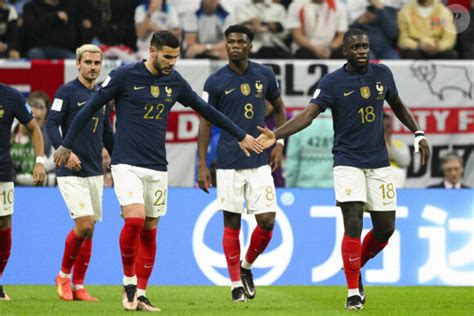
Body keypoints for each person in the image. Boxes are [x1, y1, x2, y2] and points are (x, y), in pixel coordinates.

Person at [53, 30, 263, 312]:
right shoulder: (125, 76)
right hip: (126, 162)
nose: (172, 63)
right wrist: (65, 145)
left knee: (150, 230)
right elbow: (91, 107)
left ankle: (141, 292)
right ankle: (128, 283)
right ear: (152, 51)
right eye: (167, 57)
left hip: (157, 166)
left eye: (175, 57)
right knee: (135, 221)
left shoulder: (174, 80)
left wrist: (239, 135)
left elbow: (206, 110)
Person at [256, 28, 430, 310]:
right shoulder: (333, 82)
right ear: (344, 52)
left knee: (386, 229)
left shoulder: (382, 74)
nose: (362, 50)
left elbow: (397, 103)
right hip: (347, 162)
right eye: (356, 47)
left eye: (365, 45)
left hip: (379, 163)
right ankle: (352, 291)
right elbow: (309, 115)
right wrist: (276, 134)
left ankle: (354, 265)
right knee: (353, 225)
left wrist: (418, 132)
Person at [197, 24, 287, 302]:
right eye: (230, 42)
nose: (234, 46)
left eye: (240, 42)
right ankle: (235, 283)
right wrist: (202, 163)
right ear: (226, 45)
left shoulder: (265, 74)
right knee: (232, 222)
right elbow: (204, 122)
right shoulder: (215, 81)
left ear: (250, 45)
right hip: (228, 162)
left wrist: (279, 143)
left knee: (267, 220)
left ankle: (246, 266)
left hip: (260, 159)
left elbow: (280, 108)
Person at [46, 44, 114, 302]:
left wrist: (117, 158)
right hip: (70, 170)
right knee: (83, 224)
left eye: (97, 63)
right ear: (78, 64)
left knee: (90, 229)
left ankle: (79, 285)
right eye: (88, 62)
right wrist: (64, 150)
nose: (93, 67)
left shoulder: (101, 94)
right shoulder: (66, 92)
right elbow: (51, 123)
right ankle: (63, 275)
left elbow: (107, 131)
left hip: (95, 170)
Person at [0, 83, 46, 300]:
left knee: (4, 223)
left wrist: (39, 161)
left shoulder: (10, 96)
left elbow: (34, 127)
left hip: (1, 172)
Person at [383, 112, 410, 188]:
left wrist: (389, 145)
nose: (386, 130)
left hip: (397, 185)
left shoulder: (399, 144)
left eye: (388, 126)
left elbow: (405, 162)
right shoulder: (368, 146)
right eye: (382, 127)